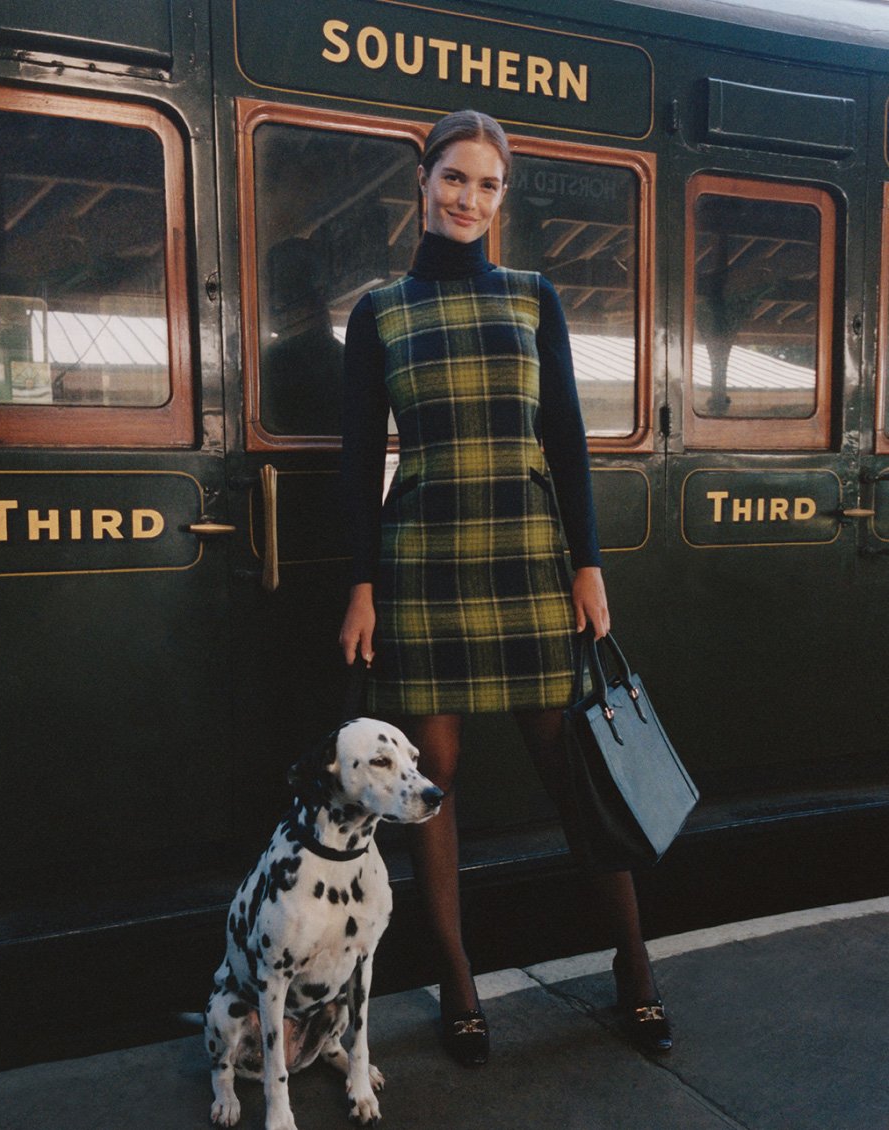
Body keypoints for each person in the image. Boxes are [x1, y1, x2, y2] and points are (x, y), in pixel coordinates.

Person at [339, 109, 671, 1067]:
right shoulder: (379, 311)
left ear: (502, 196)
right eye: (454, 178)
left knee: (580, 778)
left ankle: (635, 965)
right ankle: (457, 980)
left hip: (529, 558)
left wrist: (589, 564)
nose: (468, 199)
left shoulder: (534, 297)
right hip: (423, 567)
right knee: (430, 788)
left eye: (487, 185)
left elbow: (563, 436)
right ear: (423, 178)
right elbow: (361, 462)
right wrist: (361, 584)